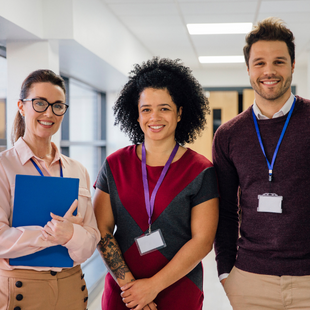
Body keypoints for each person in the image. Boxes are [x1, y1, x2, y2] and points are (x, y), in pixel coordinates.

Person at [93, 57, 219, 310]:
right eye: (146, 109)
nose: (155, 117)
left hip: (178, 289)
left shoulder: (200, 170)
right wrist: (131, 288)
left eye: (164, 108)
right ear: (136, 114)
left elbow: (202, 241)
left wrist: (152, 287)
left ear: (180, 112)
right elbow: (101, 229)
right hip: (123, 293)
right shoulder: (114, 165)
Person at [213, 17, 310, 309]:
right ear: (248, 69)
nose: (269, 71)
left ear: (293, 65)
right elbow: (226, 210)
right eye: (259, 63)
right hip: (249, 280)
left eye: (279, 61)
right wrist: (225, 272)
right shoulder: (228, 134)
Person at [0, 69, 100, 310]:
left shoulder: (77, 170)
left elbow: (91, 239)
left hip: (72, 287)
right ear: (22, 107)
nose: (49, 113)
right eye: (40, 103)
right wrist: (53, 235)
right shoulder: (4, 166)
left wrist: (71, 236)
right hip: (21, 289)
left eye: (57, 106)